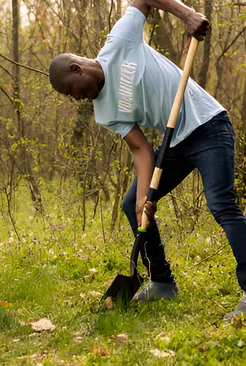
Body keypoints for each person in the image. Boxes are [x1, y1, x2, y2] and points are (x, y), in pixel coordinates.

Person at [48, 0, 246, 319]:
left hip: (207, 125)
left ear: (77, 69)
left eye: (73, 91)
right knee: (131, 205)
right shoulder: (104, 113)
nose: (77, 100)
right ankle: (163, 282)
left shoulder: (119, 42)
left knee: (221, 203)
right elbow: (142, 150)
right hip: (175, 143)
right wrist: (144, 199)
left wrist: (187, 15)